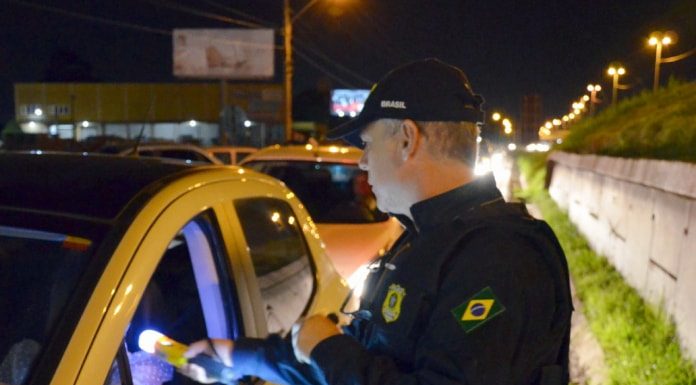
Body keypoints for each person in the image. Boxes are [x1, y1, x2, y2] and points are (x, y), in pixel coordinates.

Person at [181, 58, 573, 385]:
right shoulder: (425, 238)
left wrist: (326, 348)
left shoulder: (501, 258)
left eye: (367, 145)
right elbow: (362, 362)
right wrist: (238, 358)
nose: (362, 162)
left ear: (407, 138)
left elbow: (347, 363)